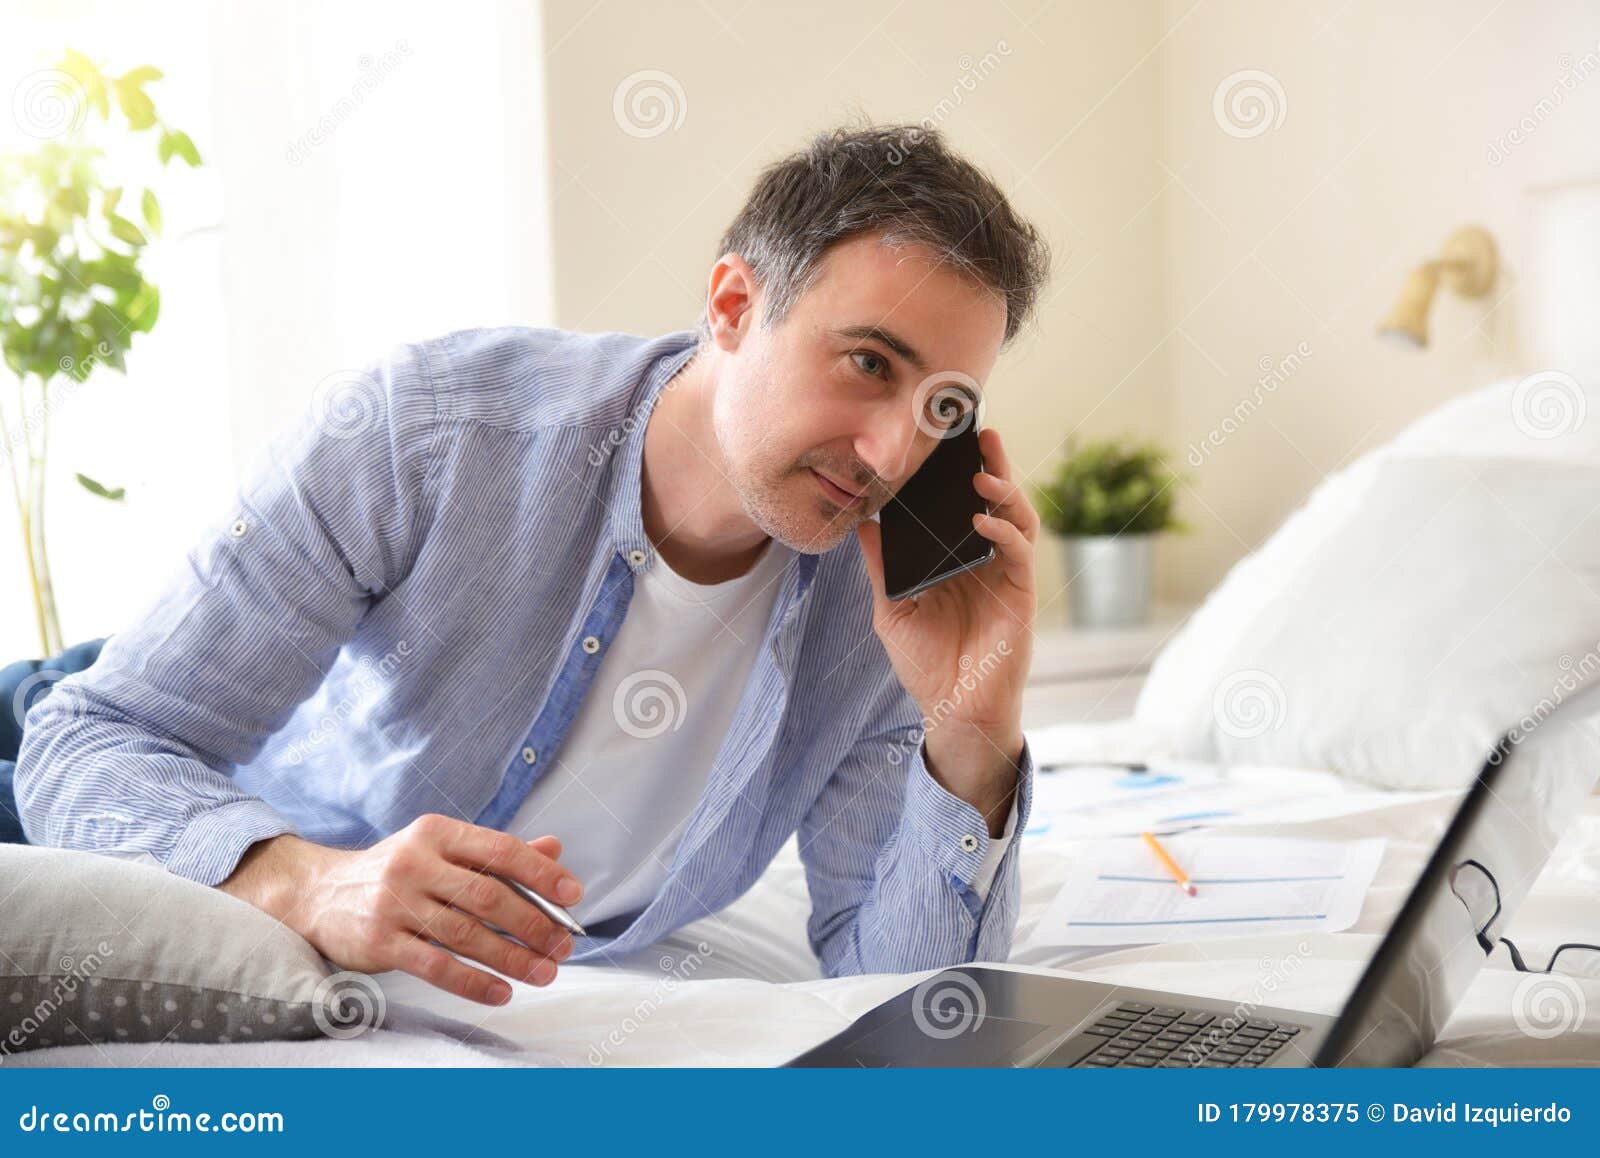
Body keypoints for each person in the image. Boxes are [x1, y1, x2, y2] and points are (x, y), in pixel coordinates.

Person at [15, 122, 1051, 1006]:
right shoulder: (426, 430)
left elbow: (913, 1010)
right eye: (868, 363)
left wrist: (971, 732)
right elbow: (94, 742)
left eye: (942, 411)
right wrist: (303, 882)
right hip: (95, 738)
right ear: (733, 306)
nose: (889, 456)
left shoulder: (881, 603)